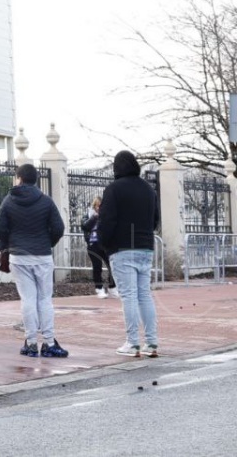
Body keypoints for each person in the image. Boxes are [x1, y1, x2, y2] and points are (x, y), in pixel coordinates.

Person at [0, 162, 67, 358]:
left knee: (28, 299)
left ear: (19, 179)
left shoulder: (8, 201)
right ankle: (49, 343)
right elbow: (59, 228)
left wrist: (10, 241)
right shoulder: (46, 201)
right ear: (36, 180)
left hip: (19, 257)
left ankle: (31, 343)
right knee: (44, 300)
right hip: (42, 256)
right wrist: (47, 243)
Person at [98, 150, 160, 358]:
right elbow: (155, 220)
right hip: (145, 246)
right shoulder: (148, 189)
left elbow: (106, 221)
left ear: (116, 168)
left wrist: (105, 244)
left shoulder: (113, 189)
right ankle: (151, 342)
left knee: (129, 297)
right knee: (144, 295)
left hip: (122, 249)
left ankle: (132, 343)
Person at [81, 197, 118, 299]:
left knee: (112, 266)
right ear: (94, 206)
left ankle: (112, 287)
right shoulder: (88, 215)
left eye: (101, 206)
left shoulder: (107, 215)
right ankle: (99, 288)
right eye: (97, 206)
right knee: (97, 267)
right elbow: (85, 226)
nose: (99, 208)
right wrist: (94, 217)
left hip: (105, 244)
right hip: (93, 245)